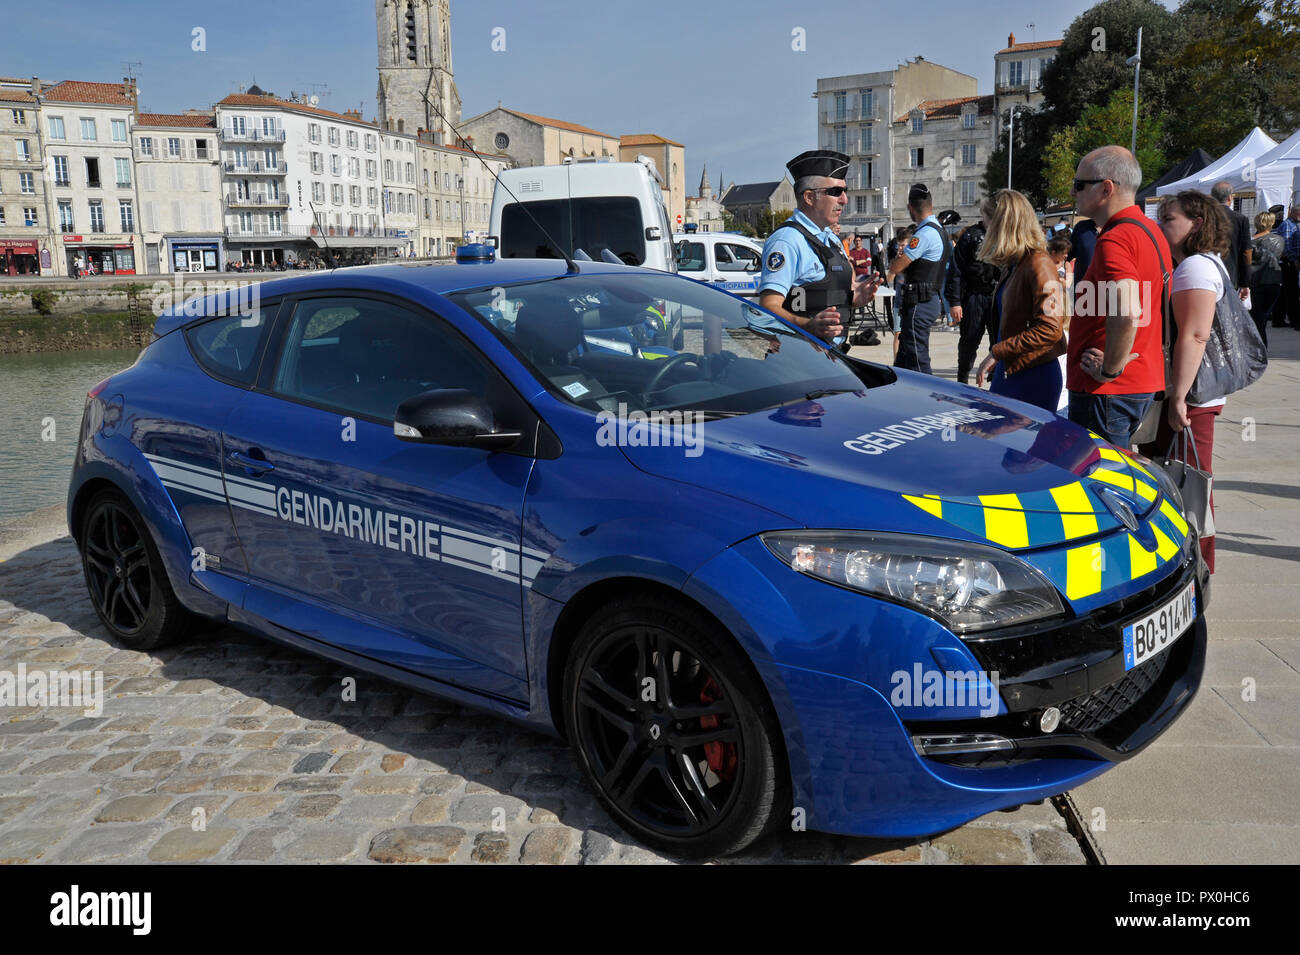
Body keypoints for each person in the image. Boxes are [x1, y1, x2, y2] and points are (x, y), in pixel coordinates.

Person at [1146, 191, 1234, 573]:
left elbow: (1195, 336)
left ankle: (1198, 568)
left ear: (1195, 224)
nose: (1161, 225)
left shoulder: (1195, 268)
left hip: (1193, 395)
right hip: (1196, 393)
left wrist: (1178, 397)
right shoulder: (1203, 264)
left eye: (1169, 218)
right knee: (1187, 479)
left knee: (1191, 483)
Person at [1066, 145, 1170, 447]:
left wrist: (1110, 369)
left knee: (1100, 482)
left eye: (1079, 185)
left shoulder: (1116, 238)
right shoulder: (1150, 230)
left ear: (1106, 188)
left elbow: (1128, 311)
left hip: (1106, 390)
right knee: (1117, 477)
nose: (1074, 193)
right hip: (1134, 383)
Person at [758, 150, 881, 350]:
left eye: (844, 191)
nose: (844, 199)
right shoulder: (788, 240)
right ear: (809, 197)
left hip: (834, 353)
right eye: (834, 192)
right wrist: (807, 325)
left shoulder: (831, 239)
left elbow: (827, 297)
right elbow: (768, 306)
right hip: (800, 357)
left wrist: (853, 299)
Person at [973, 189, 1065, 412]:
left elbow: (1050, 329)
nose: (984, 228)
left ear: (1001, 225)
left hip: (1032, 375)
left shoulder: (1038, 264)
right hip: (1013, 370)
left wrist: (998, 351)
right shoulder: (1017, 265)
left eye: (986, 222)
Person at [886, 183, 952, 374]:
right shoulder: (939, 229)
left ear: (910, 208)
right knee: (905, 357)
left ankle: (927, 399)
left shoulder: (923, 234)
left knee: (917, 359)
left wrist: (898, 259)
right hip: (925, 299)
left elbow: (896, 267)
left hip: (919, 303)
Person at [948, 205, 1001, 384]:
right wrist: (955, 302)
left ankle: (997, 378)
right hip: (974, 296)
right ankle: (962, 378)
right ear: (983, 215)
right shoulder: (970, 236)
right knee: (969, 341)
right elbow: (956, 270)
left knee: (999, 341)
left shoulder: (1005, 235)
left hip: (997, 297)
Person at [1209, 181, 1252, 302]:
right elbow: (1246, 252)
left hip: (1206, 272)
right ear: (1230, 197)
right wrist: (1245, 282)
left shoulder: (1203, 217)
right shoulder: (1240, 219)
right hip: (1230, 274)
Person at [1250, 211, 1285, 345]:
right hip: (1274, 282)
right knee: (1262, 317)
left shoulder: (1251, 241)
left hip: (1256, 282)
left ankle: (1260, 348)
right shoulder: (1280, 240)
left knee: (1257, 319)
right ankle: (1261, 348)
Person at [1278, 200, 1300, 329]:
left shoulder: (1295, 224)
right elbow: (1286, 246)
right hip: (1290, 263)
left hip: (1295, 261)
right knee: (1292, 292)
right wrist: (1294, 260)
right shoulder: (1287, 225)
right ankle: (1294, 320)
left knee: (1293, 292)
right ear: (1293, 213)